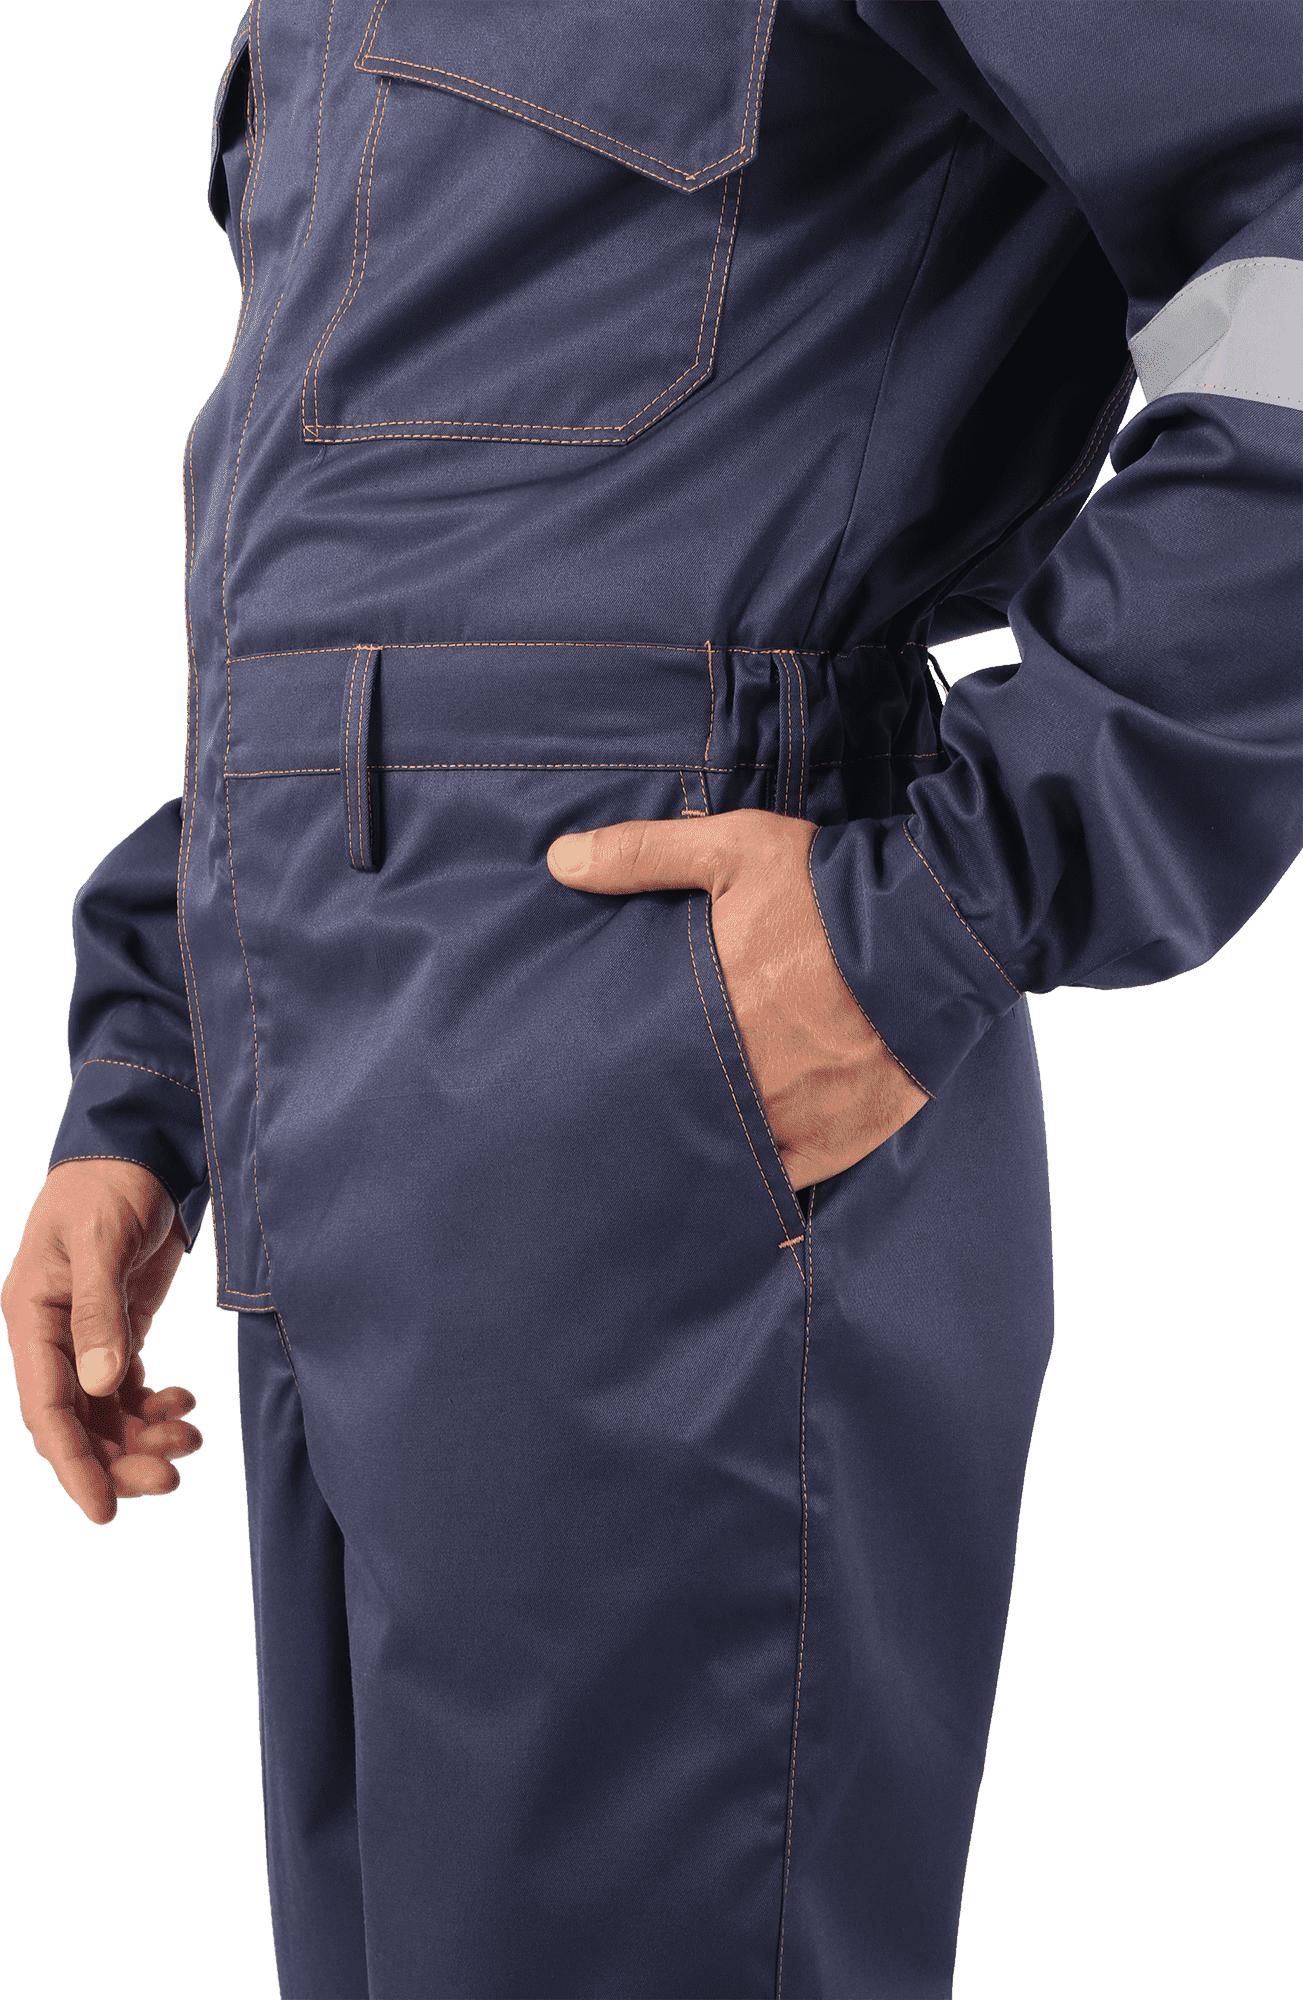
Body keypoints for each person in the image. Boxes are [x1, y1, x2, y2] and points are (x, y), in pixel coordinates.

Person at [4, 3, 1298, 1995]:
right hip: (320, 1147)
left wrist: (963, 886)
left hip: (661, 1103)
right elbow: (403, 585)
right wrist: (154, 1075)